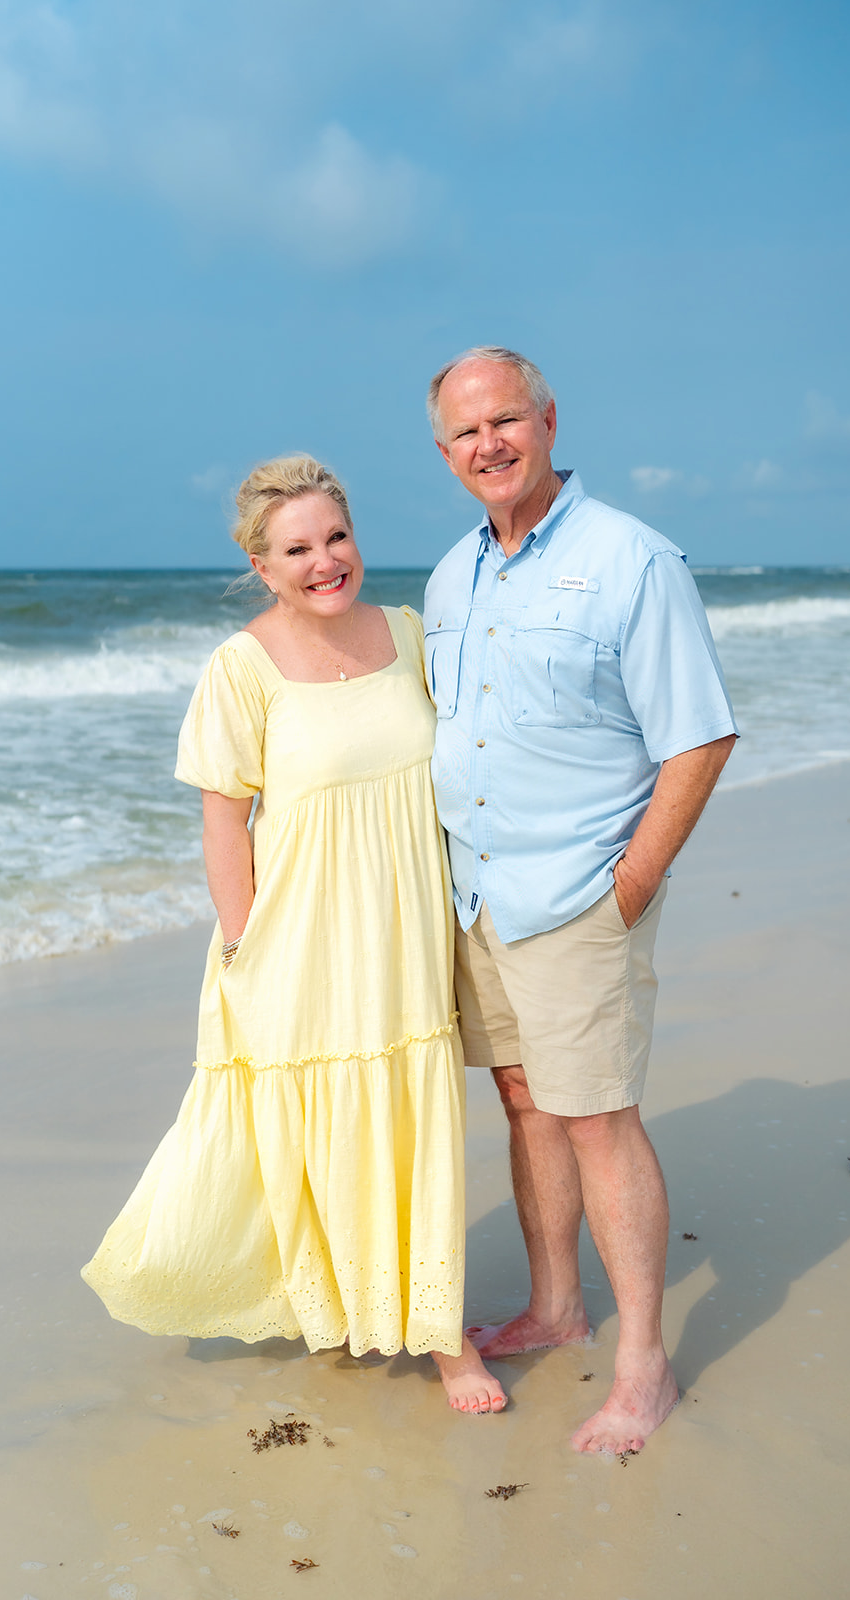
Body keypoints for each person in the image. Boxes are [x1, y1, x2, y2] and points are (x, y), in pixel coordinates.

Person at [82, 454, 506, 1415]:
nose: (325, 562)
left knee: (413, 1116)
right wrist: (241, 947)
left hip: (403, 929)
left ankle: (441, 1337)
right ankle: (345, 1306)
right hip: (298, 938)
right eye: (297, 550)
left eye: (336, 538)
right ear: (262, 567)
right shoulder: (242, 667)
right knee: (317, 1126)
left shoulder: (406, 634)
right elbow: (224, 820)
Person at [422, 347, 738, 1453]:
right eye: (464, 433)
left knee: (597, 1117)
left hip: (578, 893)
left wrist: (631, 880)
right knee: (522, 1097)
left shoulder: (630, 559)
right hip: (478, 896)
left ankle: (642, 1361)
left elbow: (698, 734)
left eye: (504, 420)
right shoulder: (449, 575)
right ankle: (556, 1309)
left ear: (548, 420)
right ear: (443, 451)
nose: (487, 446)